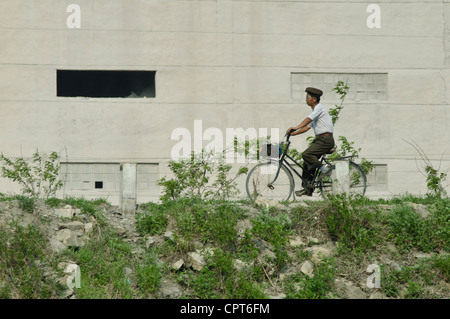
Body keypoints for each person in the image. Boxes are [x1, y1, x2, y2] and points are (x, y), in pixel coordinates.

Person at [287, 87, 335, 196]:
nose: (306, 99)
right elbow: (307, 127)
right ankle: (307, 188)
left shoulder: (319, 108)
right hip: (320, 140)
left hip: (325, 140)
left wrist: (296, 126)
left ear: (314, 99)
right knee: (307, 162)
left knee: (306, 154)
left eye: (307, 97)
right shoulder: (316, 111)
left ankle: (324, 169)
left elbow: (308, 119)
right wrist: (293, 133)